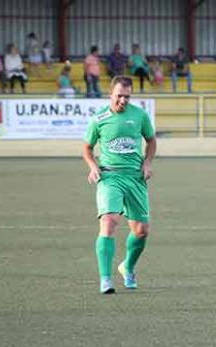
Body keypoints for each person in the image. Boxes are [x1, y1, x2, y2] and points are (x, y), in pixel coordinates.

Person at [81, 76, 156, 294]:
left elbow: (151, 140)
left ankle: (127, 267)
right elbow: (87, 147)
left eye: (127, 96)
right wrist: (93, 166)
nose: (123, 100)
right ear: (110, 95)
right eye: (119, 95)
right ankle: (105, 279)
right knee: (109, 220)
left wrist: (147, 163)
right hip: (110, 176)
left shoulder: (140, 115)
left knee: (141, 231)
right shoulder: (99, 119)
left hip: (135, 177)